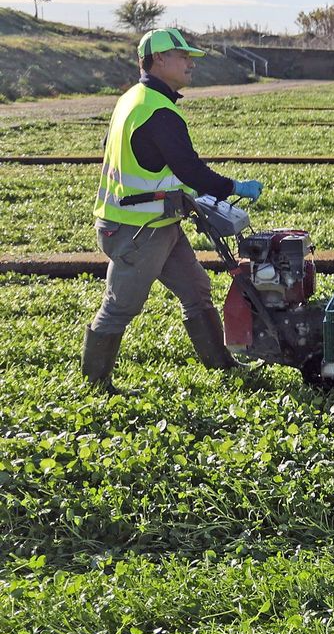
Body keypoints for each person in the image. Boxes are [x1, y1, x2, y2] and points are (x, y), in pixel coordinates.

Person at [82, 27, 264, 392]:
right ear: (159, 60)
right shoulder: (158, 111)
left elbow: (132, 153)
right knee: (121, 306)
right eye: (183, 58)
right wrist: (233, 188)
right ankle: (95, 384)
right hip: (136, 229)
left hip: (158, 222)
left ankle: (222, 367)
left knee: (197, 289)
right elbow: (189, 169)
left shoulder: (131, 99)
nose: (190, 64)